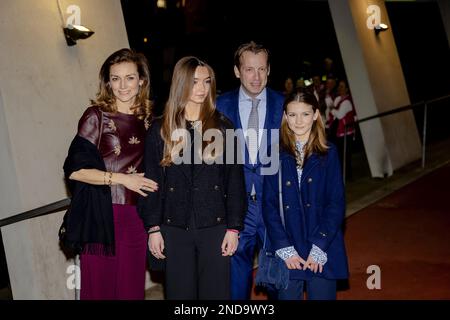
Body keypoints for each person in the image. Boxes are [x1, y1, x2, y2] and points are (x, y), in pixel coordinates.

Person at [138, 56, 247, 300]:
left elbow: (235, 181)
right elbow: (152, 183)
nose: (201, 88)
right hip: (174, 226)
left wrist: (234, 228)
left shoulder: (223, 127)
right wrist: (153, 228)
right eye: (195, 81)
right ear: (181, 83)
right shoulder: (160, 129)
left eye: (206, 82)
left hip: (215, 226)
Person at [63, 48, 158, 300]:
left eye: (129, 77)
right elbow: (75, 170)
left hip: (137, 217)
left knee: (131, 292)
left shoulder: (149, 120)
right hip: (102, 216)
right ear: (108, 82)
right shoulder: (96, 116)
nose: (122, 85)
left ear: (141, 81)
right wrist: (123, 179)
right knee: (100, 292)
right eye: (115, 78)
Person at [262, 92, 349, 300]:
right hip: (288, 249)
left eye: (305, 114)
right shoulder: (273, 153)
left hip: (321, 249)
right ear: (285, 116)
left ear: (316, 115)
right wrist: (284, 247)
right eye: (292, 115)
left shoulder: (330, 153)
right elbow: (269, 205)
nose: (298, 121)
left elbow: (336, 203)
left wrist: (319, 245)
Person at [216, 41, 284, 300]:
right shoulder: (219, 106)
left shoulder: (285, 105)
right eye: (249, 70)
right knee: (234, 283)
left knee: (280, 281)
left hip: (275, 206)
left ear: (268, 70)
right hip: (235, 207)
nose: (256, 77)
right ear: (237, 71)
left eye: (261, 69)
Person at [328, 79, 357, 180]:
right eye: (339, 86)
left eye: (342, 86)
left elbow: (339, 115)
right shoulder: (339, 99)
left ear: (347, 89)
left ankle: (347, 176)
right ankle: (344, 176)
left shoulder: (347, 102)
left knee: (345, 156)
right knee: (341, 155)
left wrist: (332, 109)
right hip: (340, 132)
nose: (339, 88)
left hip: (346, 133)